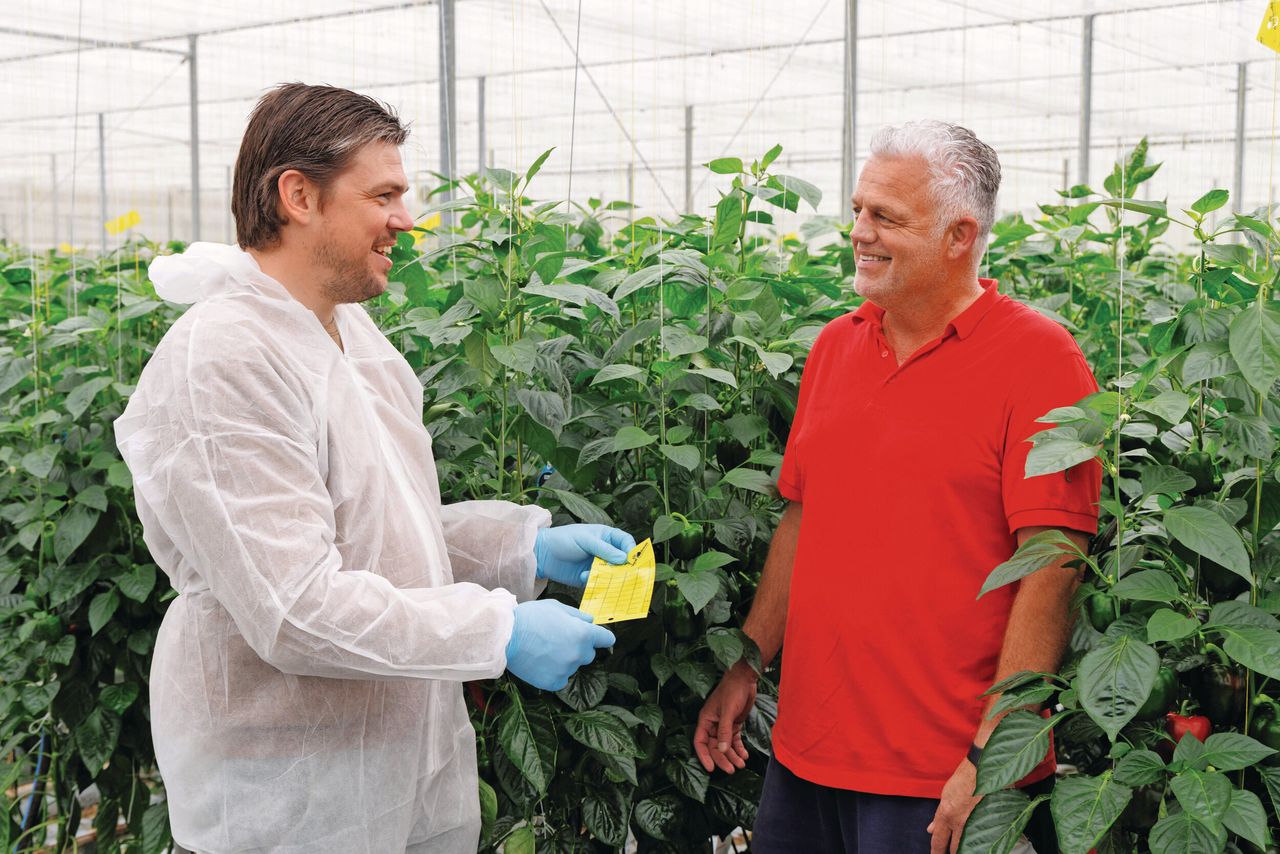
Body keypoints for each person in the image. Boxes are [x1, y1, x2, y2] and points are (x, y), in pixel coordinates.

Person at [114, 83, 634, 854]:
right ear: (298, 195)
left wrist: (521, 552)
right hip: (289, 795)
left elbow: (384, 529)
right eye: (383, 194)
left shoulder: (352, 338)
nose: (406, 218)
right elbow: (294, 607)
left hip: (398, 768)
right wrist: (498, 627)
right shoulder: (224, 358)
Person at [693, 121, 1101, 854]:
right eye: (857, 210)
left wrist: (990, 759)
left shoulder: (1040, 359)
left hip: (939, 772)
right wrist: (750, 659)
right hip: (808, 751)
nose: (859, 232)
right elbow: (802, 517)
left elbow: (1053, 565)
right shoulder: (836, 346)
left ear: (959, 235)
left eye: (886, 217)